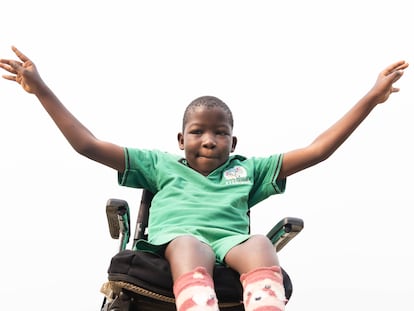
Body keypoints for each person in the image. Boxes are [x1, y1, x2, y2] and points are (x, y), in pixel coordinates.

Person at [0, 46, 408, 311]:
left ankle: (266, 305)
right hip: (178, 242)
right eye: (198, 132)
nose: (209, 140)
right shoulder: (159, 164)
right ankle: (197, 303)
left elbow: (318, 150)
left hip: (231, 244)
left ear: (234, 140)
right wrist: (41, 90)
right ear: (181, 139)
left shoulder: (248, 169)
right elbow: (87, 144)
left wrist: (371, 98)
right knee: (192, 244)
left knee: (260, 241)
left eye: (220, 133)